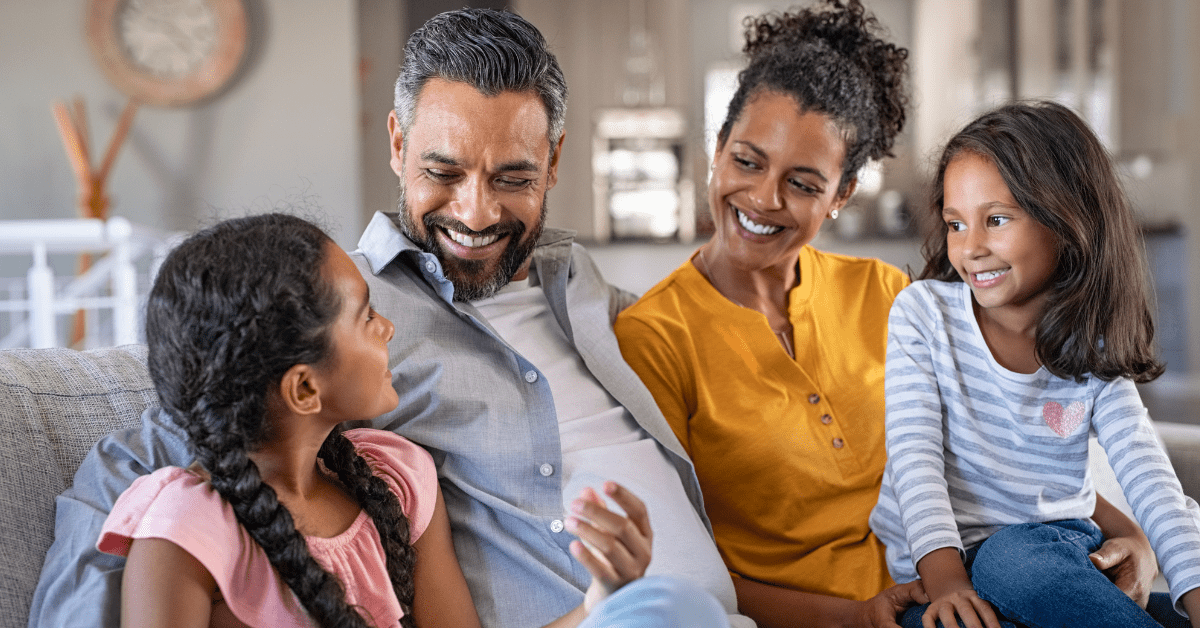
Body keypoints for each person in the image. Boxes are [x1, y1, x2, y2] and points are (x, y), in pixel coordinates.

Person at [30, 8, 747, 628]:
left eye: (514, 178)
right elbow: (150, 451)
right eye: (444, 172)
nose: (476, 212)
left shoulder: (581, 285)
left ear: (554, 162)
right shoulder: (333, 319)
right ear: (399, 144)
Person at [614, 3, 1158, 627]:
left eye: (804, 182)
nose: (764, 197)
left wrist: (1131, 532)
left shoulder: (888, 293)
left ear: (842, 193)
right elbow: (679, 567)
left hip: (975, 586)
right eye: (747, 160)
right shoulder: (653, 337)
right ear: (716, 150)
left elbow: (1013, 443)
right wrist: (856, 617)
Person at [868, 100, 1200, 628]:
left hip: (1050, 559)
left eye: (995, 220)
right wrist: (948, 583)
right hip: (943, 581)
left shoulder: (1089, 350)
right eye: (956, 224)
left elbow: (1150, 478)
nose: (970, 247)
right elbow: (915, 460)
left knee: (1012, 559)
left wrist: (1194, 584)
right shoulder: (923, 315)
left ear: (1067, 221)